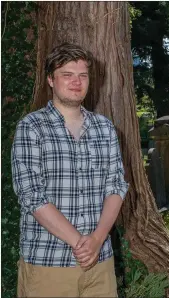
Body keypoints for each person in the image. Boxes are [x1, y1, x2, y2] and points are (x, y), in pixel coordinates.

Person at [11, 43, 129, 297]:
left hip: (100, 264)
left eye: (82, 75)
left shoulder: (104, 128)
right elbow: (32, 195)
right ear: (51, 80)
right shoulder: (31, 127)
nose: (76, 82)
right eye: (67, 75)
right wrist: (80, 243)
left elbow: (116, 186)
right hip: (48, 264)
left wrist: (97, 240)